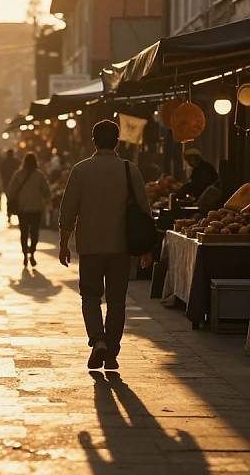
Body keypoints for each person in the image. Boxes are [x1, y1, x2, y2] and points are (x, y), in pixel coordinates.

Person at [58, 120, 152, 371]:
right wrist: (146, 248)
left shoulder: (81, 170)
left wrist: (63, 242)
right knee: (117, 300)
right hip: (121, 246)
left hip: (90, 246)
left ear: (94, 141)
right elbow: (144, 210)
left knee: (90, 296)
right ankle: (111, 350)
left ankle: (97, 339)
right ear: (117, 141)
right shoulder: (129, 169)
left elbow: (68, 209)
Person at [8, 152, 50, 267]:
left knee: (24, 233)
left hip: (22, 209)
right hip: (36, 209)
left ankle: (25, 254)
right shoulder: (39, 175)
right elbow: (46, 190)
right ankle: (32, 252)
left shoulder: (18, 175)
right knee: (35, 233)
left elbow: (11, 191)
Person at [0, 149, 20, 224]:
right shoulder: (17, 162)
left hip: (7, 184)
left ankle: (9, 214)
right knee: (16, 200)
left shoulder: (4, 162)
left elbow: (1, 172)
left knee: (9, 200)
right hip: (16, 185)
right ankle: (15, 214)